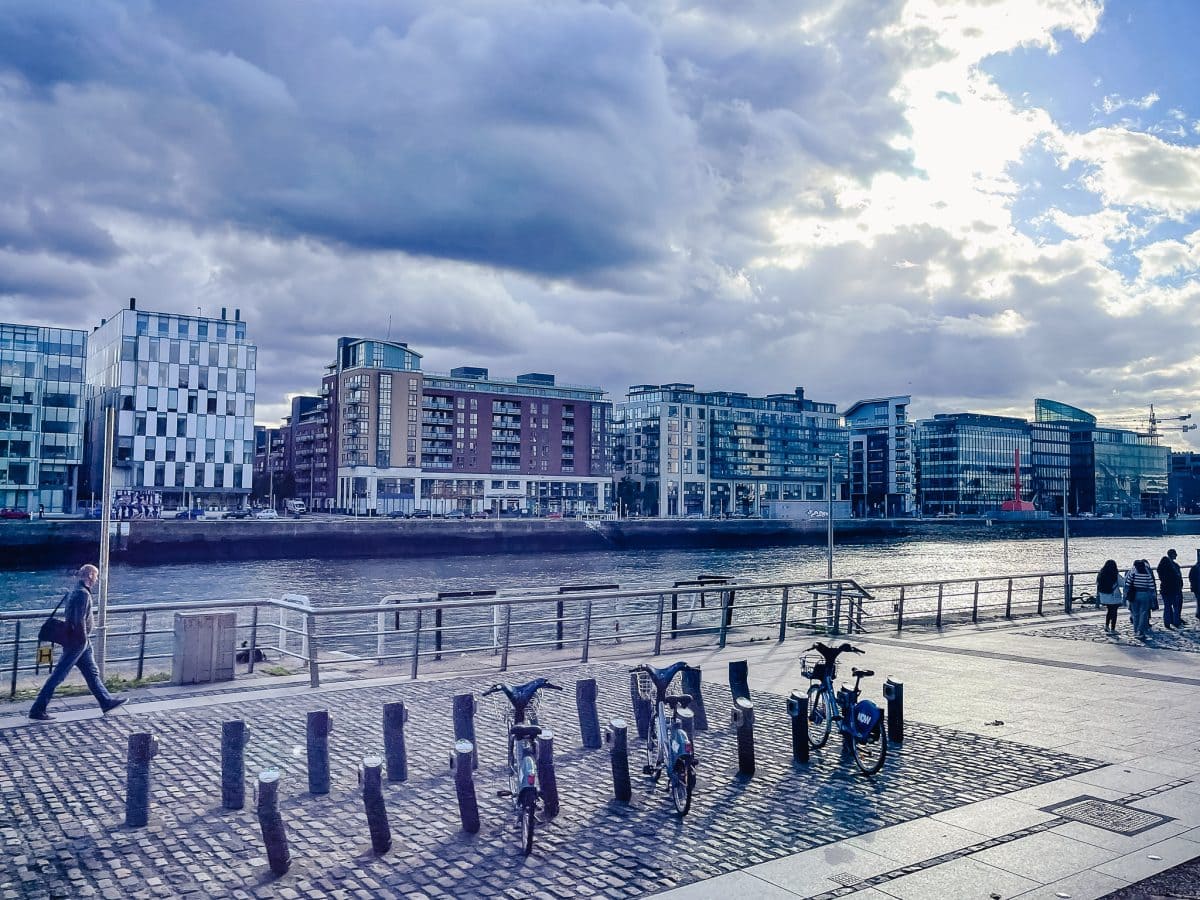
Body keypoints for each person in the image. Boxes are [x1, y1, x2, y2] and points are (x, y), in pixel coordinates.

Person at [29, 564, 127, 721]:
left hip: (81, 642)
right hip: (78, 642)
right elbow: (78, 620)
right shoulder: (82, 594)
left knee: (92, 673)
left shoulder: (76, 591)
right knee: (59, 675)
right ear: (89, 576)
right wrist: (82, 640)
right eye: (95, 576)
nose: (96, 579)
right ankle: (37, 709)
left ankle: (106, 701)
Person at [1126, 558, 1157, 639]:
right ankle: (1140, 630)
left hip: (1135, 594)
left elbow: (1128, 584)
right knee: (1143, 613)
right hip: (1145, 594)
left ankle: (1136, 630)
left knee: (1135, 613)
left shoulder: (1133, 574)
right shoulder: (1147, 575)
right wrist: (1152, 596)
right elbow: (1151, 586)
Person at [1157, 549, 1185, 629]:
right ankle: (1176, 621)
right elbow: (1177, 578)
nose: (1176, 555)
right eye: (1175, 554)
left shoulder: (1161, 567)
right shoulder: (1174, 567)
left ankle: (1167, 622)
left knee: (1167, 606)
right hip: (1174, 589)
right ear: (1172, 555)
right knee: (1176, 606)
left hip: (1164, 589)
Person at [1095, 559, 1124, 632]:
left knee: (1109, 611)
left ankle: (1107, 625)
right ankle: (1113, 628)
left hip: (1104, 596)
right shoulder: (1115, 574)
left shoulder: (1101, 574)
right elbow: (1122, 583)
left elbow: (1097, 583)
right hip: (1114, 596)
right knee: (1114, 612)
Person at [1190, 549, 1200, 619]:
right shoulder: (1195, 568)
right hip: (1197, 587)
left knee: (1198, 601)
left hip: (1197, 587)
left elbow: (1191, 577)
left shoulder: (1194, 567)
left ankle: (1198, 613)